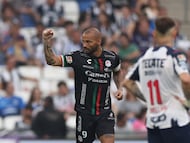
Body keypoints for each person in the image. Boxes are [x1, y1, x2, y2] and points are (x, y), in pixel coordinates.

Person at [42, 27, 122, 143]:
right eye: (83, 41)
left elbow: (117, 72)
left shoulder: (112, 58)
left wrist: (120, 88)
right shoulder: (78, 57)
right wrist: (46, 42)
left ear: (99, 41)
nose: (84, 45)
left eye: (88, 42)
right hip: (85, 114)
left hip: (104, 113)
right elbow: (52, 61)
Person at [117, 17, 190, 143]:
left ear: (154, 34)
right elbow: (186, 80)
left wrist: (148, 100)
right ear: (174, 33)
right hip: (175, 120)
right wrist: (187, 102)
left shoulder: (145, 56)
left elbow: (127, 82)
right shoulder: (175, 55)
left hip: (153, 122)